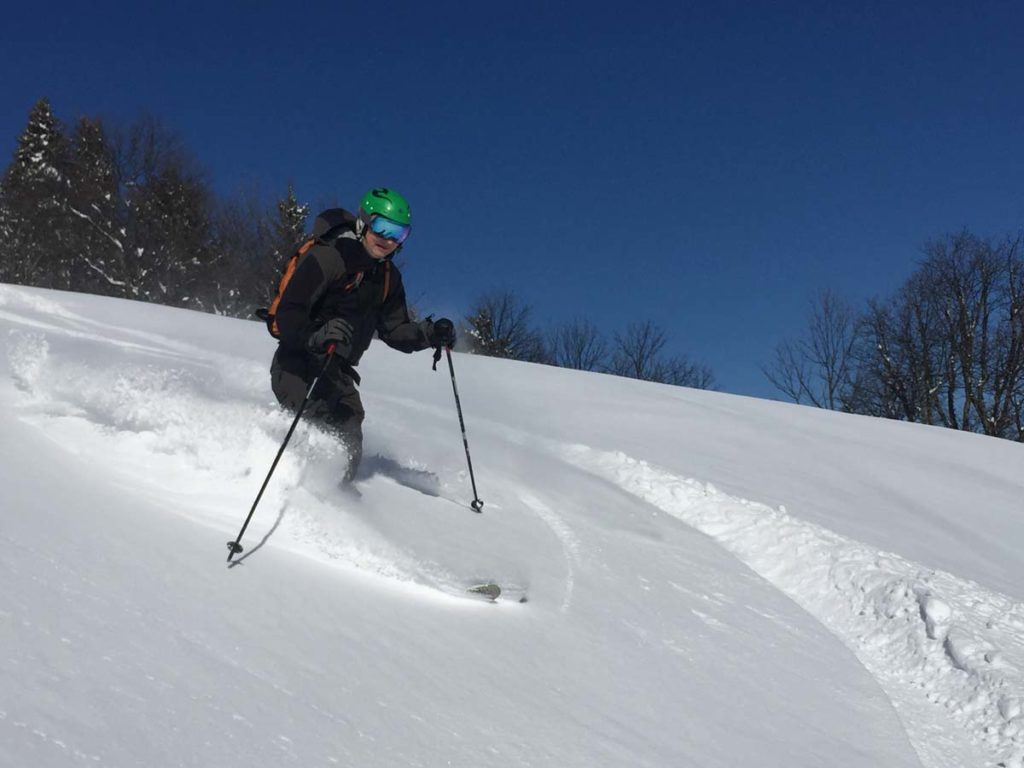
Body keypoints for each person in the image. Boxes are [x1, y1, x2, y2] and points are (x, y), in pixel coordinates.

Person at [270, 187, 455, 482]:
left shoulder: (387, 278)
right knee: (310, 428)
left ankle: (336, 506)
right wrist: (316, 335)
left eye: (399, 234)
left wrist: (430, 334)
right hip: (298, 362)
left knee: (348, 444)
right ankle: (286, 491)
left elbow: (395, 330)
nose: (388, 240)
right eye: (382, 227)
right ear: (364, 222)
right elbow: (288, 313)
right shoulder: (328, 257)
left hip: (337, 373)